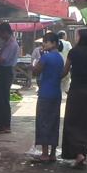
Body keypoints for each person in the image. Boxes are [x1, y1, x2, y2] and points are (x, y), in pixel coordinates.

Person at [61, 29, 87, 168]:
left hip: (75, 91)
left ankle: (76, 153)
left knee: (72, 121)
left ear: (80, 37)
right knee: (85, 122)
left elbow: (65, 71)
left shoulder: (73, 52)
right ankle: (82, 153)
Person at [32, 32, 64, 163]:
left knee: (43, 122)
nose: (44, 44)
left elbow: (36, 71)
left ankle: (44, 153)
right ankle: (52, 153)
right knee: (54, 122)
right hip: (56, 93)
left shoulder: (45, 57)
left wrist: (33, 65)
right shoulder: (60, 57)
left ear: (55, 43)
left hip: (45, 93)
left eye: (47, 42)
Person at [0, 22, 18, 134]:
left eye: (1, 34)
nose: (0, 36)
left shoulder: (11, 44)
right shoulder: (8, 42)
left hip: (6, 71)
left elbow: (2, 59)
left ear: (5, 32)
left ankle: (5, 125)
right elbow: (1, 54)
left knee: (3, 98)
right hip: (3, 71)